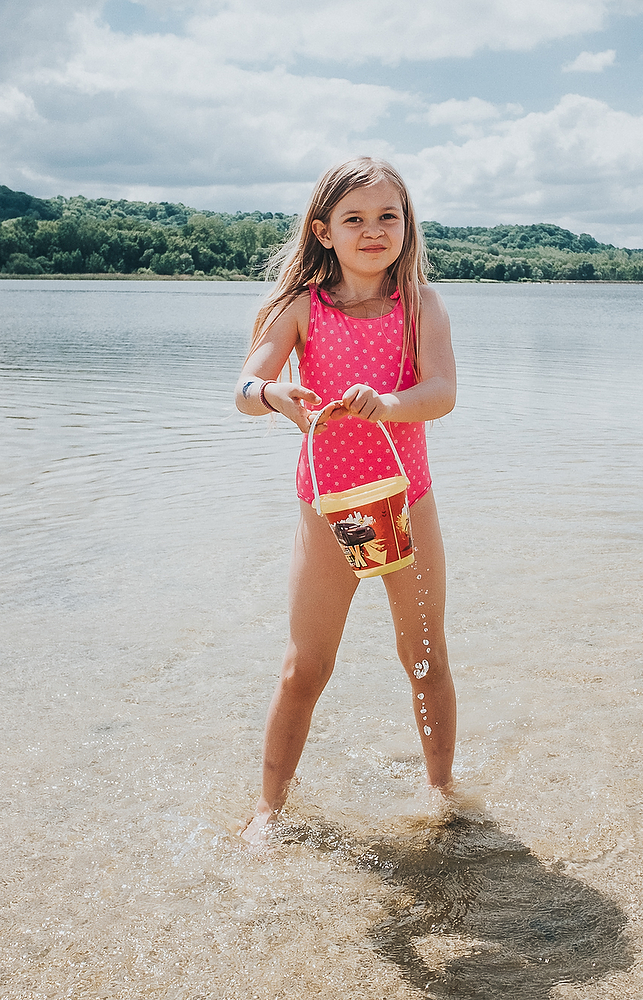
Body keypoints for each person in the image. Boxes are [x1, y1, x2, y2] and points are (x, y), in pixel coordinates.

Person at [234, 157, 458, 844]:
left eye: (387, 216)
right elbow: (245, 389)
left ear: (406, 225)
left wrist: (389, 404)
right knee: (306, 665)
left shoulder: (419, 305)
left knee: (423, 657)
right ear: (323, 231)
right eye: (354, 219)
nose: (373, 231)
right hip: (330, 510)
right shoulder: (301, 306)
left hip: (402, 501)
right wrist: (274, 395)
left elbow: (442, 392)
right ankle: (269, 813)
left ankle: (442, 798)